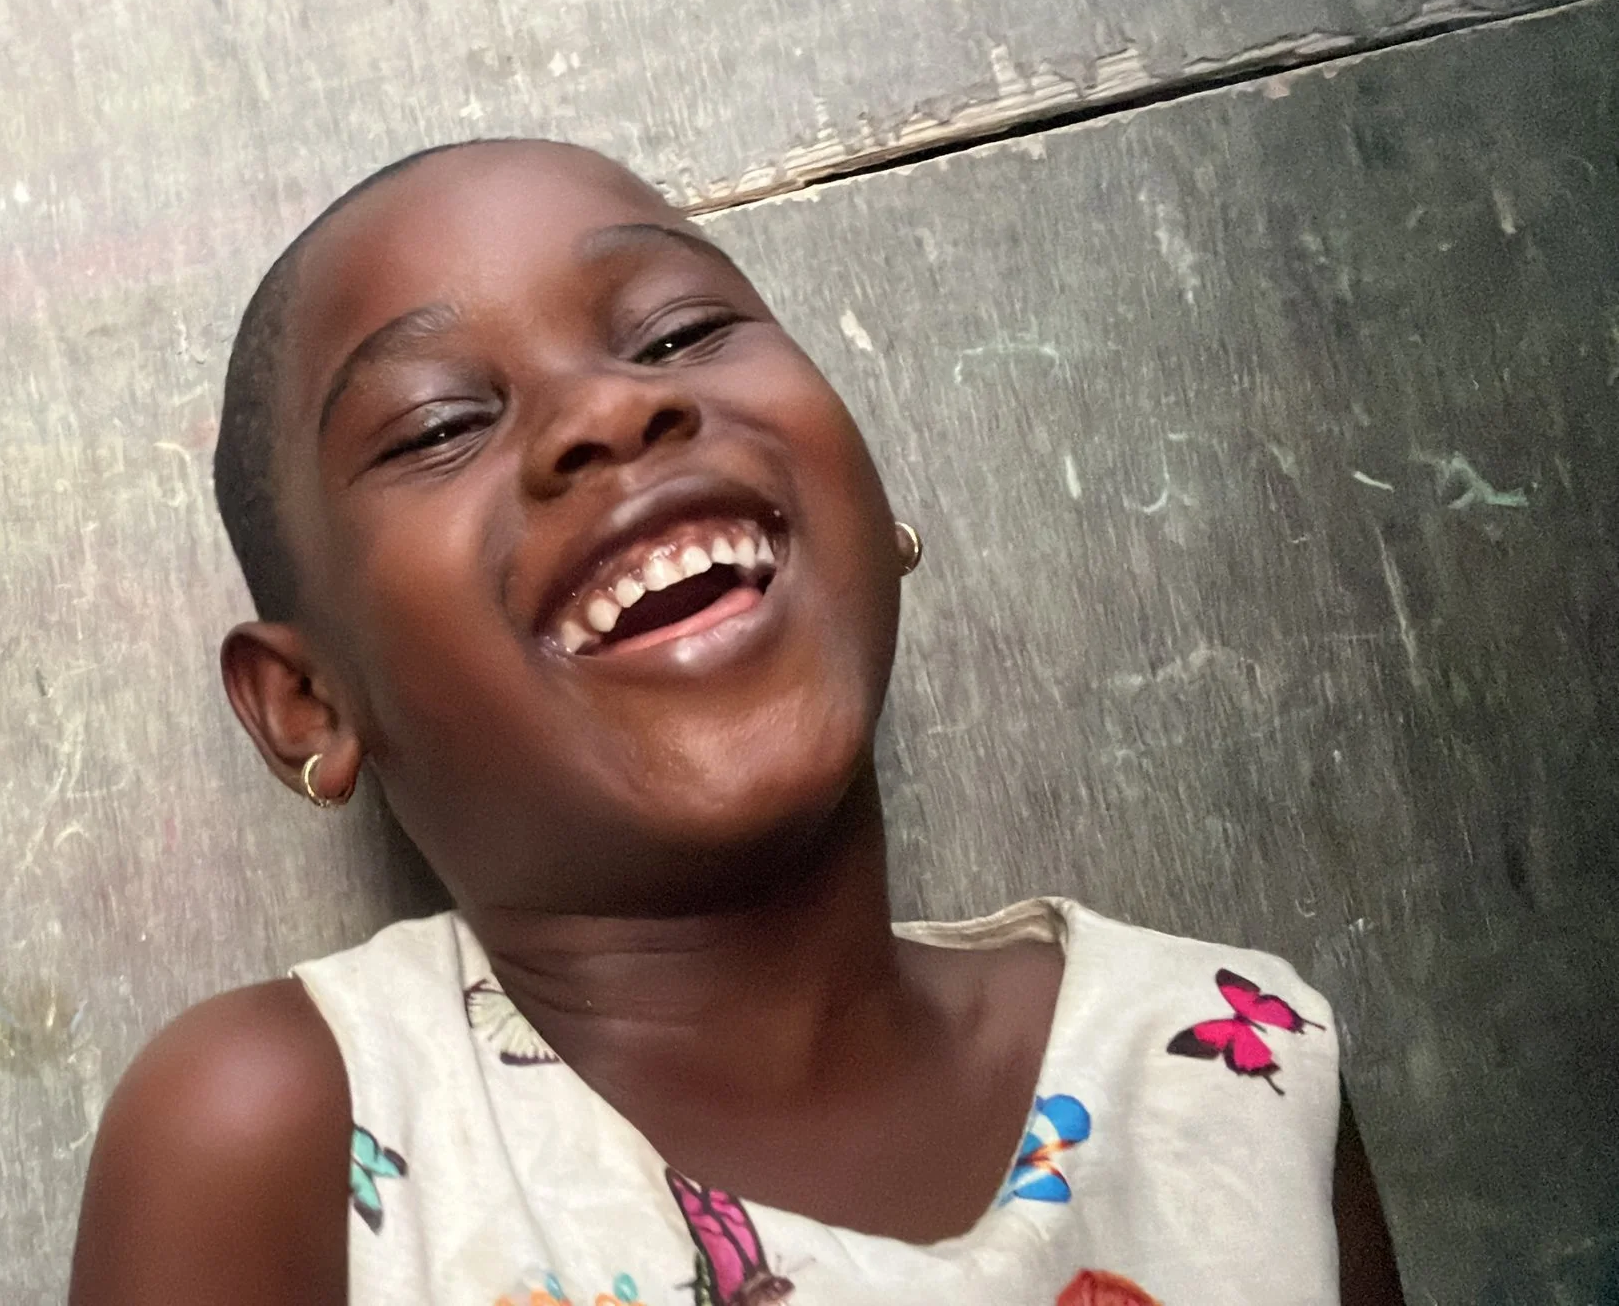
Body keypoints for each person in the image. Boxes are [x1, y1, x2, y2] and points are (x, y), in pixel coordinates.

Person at [68, 140, 1403, 1306]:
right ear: (311, 703)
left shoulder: (1236, 1070)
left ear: (872, 507)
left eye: (677, 333)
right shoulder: (280, 1131)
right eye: (439, 424)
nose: (611, 407)